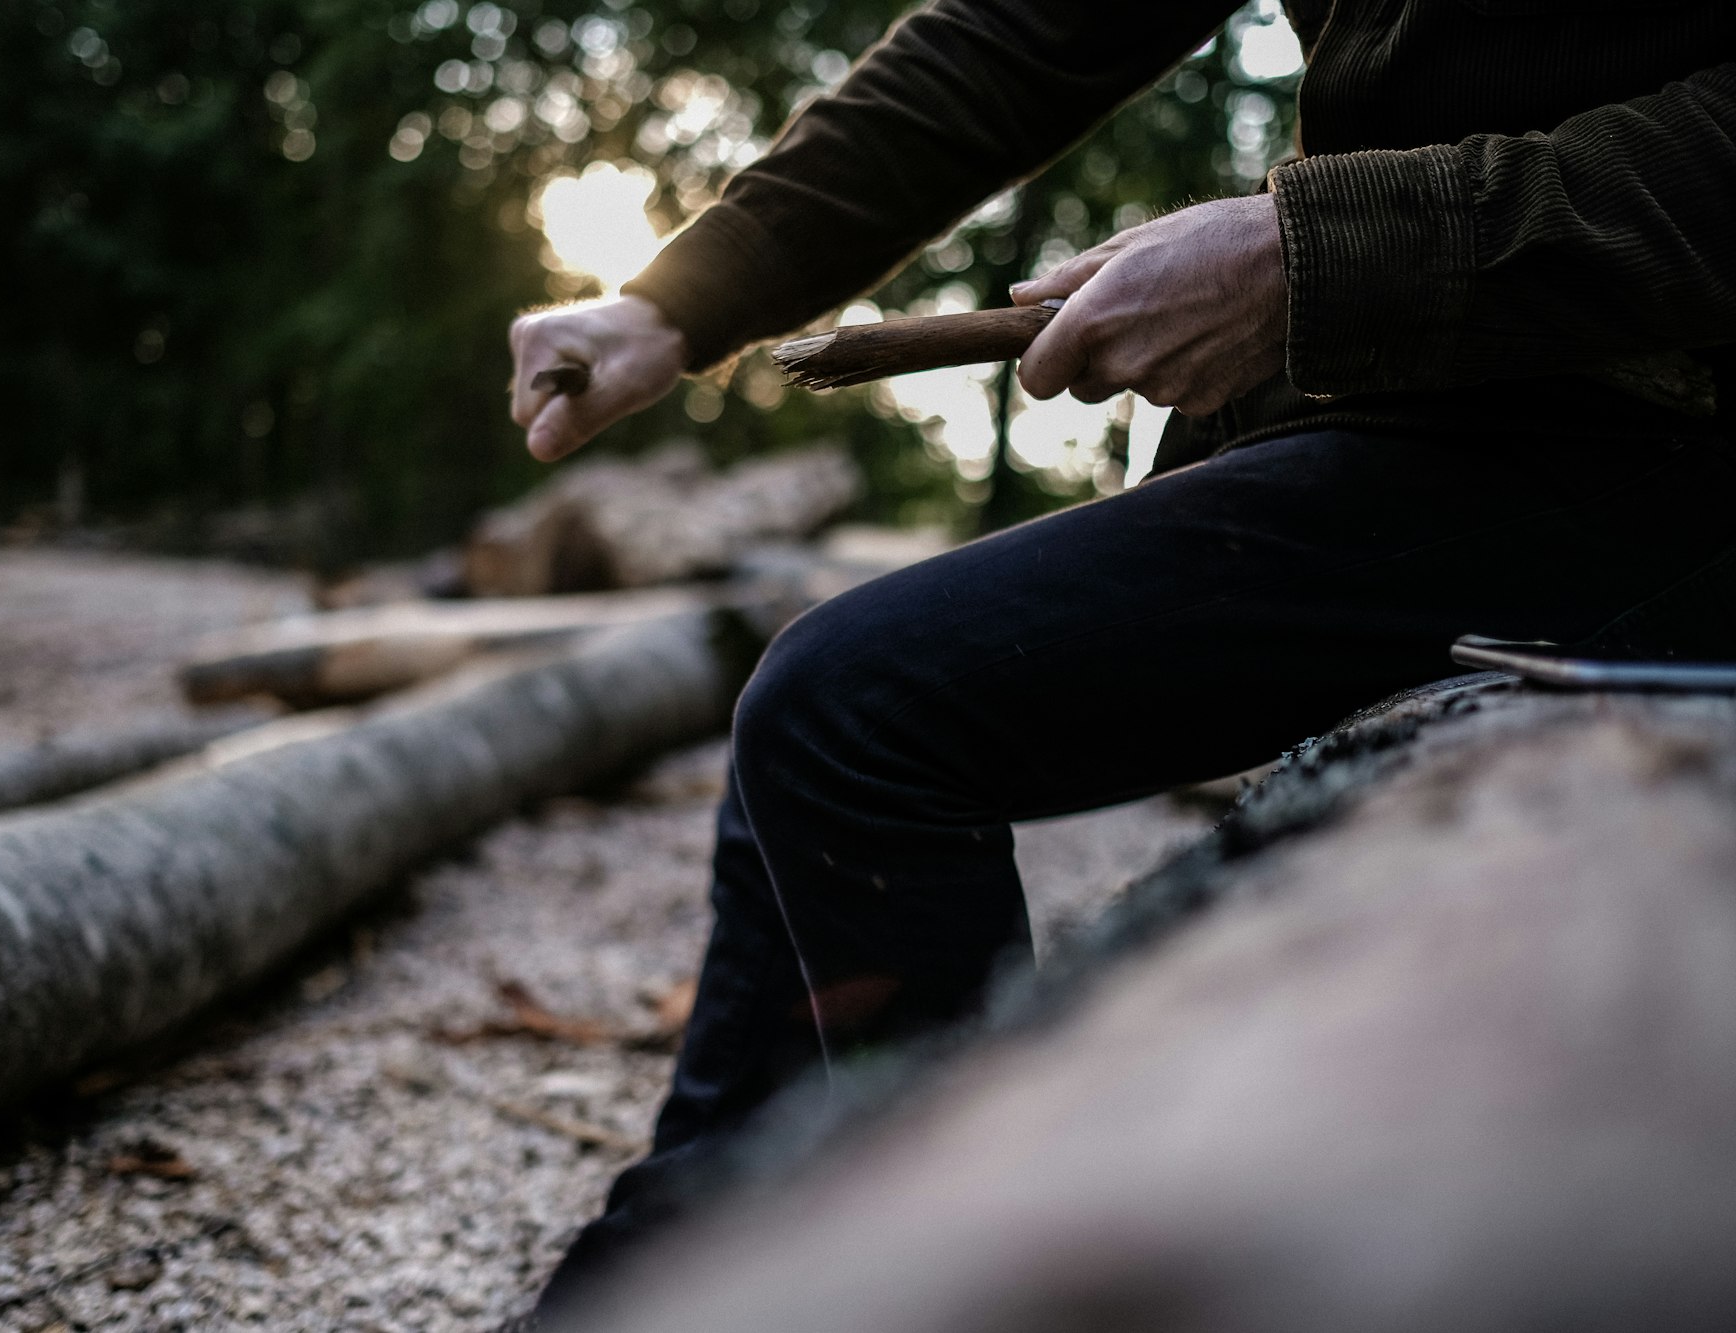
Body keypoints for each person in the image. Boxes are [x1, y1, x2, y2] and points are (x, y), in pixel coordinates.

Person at [506, 0, 1736, 1319]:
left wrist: (1311, 255)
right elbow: (1019, 36)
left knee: (854, 709)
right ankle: (682, 1260)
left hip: (1666, 447)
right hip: (1435, 412)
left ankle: (914, 1275)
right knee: (820, 721)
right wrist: (675, 302)